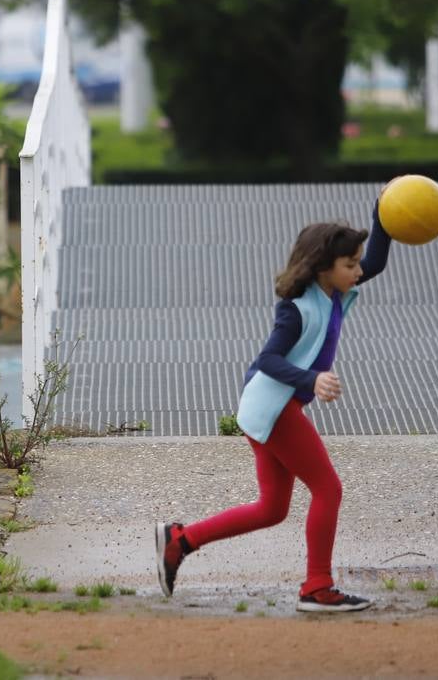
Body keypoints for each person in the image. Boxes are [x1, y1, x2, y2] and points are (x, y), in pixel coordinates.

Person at [155, 206, 392, 612]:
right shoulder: (297, 308)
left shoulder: (333, 288)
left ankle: (181, 540)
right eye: (350, 264)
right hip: (276, 407)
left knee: (272, 509)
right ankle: (317, 587)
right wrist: (311, 379)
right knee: (328, 489)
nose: (359, 271)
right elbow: (269, 360)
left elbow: (377, 262)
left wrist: (384, 214)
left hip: (266, 408)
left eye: (356, 263)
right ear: (323, 266)